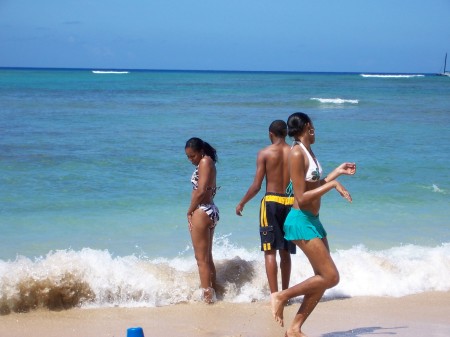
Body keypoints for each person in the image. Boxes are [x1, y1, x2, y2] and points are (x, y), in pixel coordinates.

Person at [271, 112, 356, 337]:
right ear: (308, 127)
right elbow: (301, 197)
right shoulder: (297, 153)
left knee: (322, 280)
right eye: (313, 126)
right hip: (300, 221)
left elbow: (313, 185)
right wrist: (333, 185)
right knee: (331, 276)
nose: (315, 129)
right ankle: (281, 296)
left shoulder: (308, 152)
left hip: (314, 221)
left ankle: (295, 328)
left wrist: (336, 173)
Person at [236, 120, 296, 294]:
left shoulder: (264, 153)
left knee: (270, 252)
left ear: (270, 134)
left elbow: (256, 186)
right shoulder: (295, 152)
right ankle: (286, 293)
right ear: (286, 133)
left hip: (271, 202)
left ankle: (274, 295)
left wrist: (242, 202)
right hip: (291, 202)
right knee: (285, 251)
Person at [185, 137, 220, 304]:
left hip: (202, 211)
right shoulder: (208, 162)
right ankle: (214, 293)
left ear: (200, 151)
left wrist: (189, 211)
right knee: (207, 257)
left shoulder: (205, 162)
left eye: (192, 156)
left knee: (201, 260)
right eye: (188, 157)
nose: (191, 160)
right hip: (209, 210)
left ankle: (208, 299)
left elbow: (200, 191)